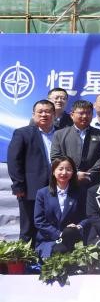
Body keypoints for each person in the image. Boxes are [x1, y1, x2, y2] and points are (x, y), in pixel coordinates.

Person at [7, 99, 56, 244]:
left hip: (55, 187)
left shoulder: (61, 133)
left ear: (54, 114)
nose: (44, 114)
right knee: (28, 227)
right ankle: (26, 256)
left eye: (47, 111)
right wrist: (18, 186)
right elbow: (14, 161)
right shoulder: (23, 133)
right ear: (33, 114)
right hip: (30, 188)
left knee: (52, 224)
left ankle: (50, 254)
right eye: (40, 112)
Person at [50, 100, 100, 187]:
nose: (85, 116)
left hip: (94, 181)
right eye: (81, 113)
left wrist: (89, 174)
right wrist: (75, 173)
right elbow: (55, 157)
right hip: (67, 181)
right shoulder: (59, 134)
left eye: (88, 113)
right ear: (72, 115)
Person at [33, 157, 85, 259]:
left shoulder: (80, 192)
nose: (64, 172)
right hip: (49, 239)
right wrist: (60, 234)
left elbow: (87, 217)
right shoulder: (42, 193)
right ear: (53, 171)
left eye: (68, 169)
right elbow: (39, 221)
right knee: (58, 252)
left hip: (73, 239)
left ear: (73, 172)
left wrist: (78, 227)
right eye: (60, 169)